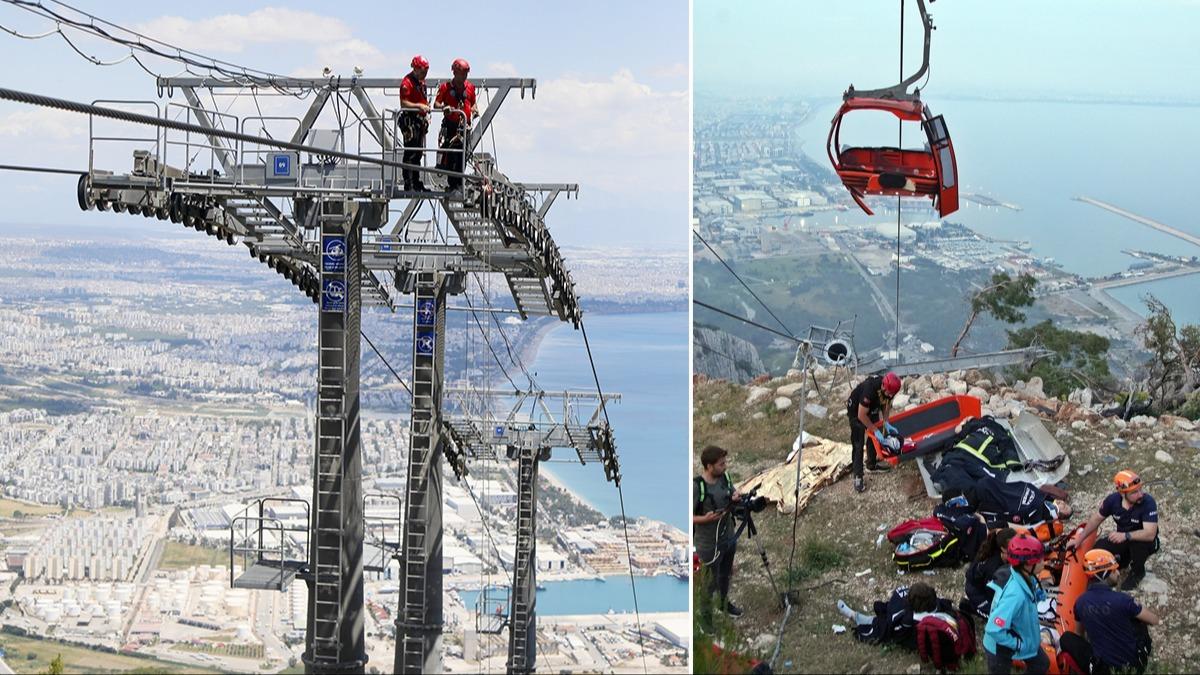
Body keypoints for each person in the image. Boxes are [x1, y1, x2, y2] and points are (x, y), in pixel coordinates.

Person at [1068, 470, 1159, 590]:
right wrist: (1079, 539)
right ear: (1122, 493)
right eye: (1134, 492)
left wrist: (1125, 535)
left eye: (1140, 489)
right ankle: (1115, 565)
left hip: (1144, 541)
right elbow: (1096, 519)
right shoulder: (1113, 501)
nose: (1140, 494)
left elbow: (1150, 533)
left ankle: (1138, 572)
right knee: (1099, 547)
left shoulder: (1148, 502)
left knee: (1139, 545)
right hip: (1124, 539)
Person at [1074, 548, 1159, 675]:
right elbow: (1154, 620)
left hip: (1101, 668)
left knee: (1067, 639)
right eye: (1114, 570)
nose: (1118, 573)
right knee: (1137, 620)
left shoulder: (1080, 602)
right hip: (1131, 666)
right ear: (1104, 573)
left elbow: (1079, 635)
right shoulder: (1123, 600)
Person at [983, 534, 1051, 674]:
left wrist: (1037, 593)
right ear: (1028, 564)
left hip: (1025, 637)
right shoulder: (1015, 595)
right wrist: (1018, 645)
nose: (1044, 562)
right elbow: (994, 629)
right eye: (1040, 560)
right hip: (1000, 648)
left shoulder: (1022, 574)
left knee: (1041, 665)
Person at [693, 445, 743, 617]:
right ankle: (706, 619)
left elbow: (732, 491)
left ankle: (723, 603)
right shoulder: (697, 487)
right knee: (709, 583)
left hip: (728, 537)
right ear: (709, 466)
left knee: (725, 574)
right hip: (708, 545)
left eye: (724, 463)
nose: (725, 466)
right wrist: (704, 519)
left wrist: (736, 496)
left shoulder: (725, 478)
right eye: (721, 464)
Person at [836, 582, 956, 649]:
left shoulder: (912, 619)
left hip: (910, 635)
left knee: (883, 624)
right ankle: (858, 616)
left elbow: (897, 632)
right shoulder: (937, 605)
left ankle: (855, 616)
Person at [845, 371, 900, 493]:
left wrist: (886, 421)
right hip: (856, 410)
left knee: (873, 438)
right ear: (883, 386)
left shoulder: (889, 390)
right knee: (858, 443)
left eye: (892, 394)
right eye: (889, 393)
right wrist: (874, 429)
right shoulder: (870, 389)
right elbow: (861, 415)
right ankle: (858, 476)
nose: (890, 395)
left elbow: (886, 403)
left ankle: (871, 464)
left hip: (872, 409)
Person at [435, 58, 477, 192]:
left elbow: (473, 102)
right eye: (462, 73)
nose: (464, 76)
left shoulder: (470, 87)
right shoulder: (445, 87)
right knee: (452, 154)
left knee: (462, 155)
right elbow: (436, 104)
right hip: (451, 125)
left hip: (464, 127)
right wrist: (444, 107)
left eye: (465, 73)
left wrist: (475, 110)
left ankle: (458, 183)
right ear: (455, 73)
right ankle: (453, 184)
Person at [963, 527, 1017, 618]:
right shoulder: (994, 569)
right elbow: (993, 593)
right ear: (1003, 549)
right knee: (999, 618)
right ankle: (969, 606)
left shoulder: (997, 546)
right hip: (978, 591)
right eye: (1014, 547)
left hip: (983, 581)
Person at [398, 54, 432, 192]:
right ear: (416, 69)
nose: (424, 74)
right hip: (410, 121)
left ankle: (416, 182)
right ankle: (409, 183)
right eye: (423, 71)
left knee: (418, 153)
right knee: (411, 153)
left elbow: (423, 98)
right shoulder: (407, 83)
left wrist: (425, 111)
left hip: (419, 121)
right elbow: (403, 103)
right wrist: (419, 106)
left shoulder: (421, 82)